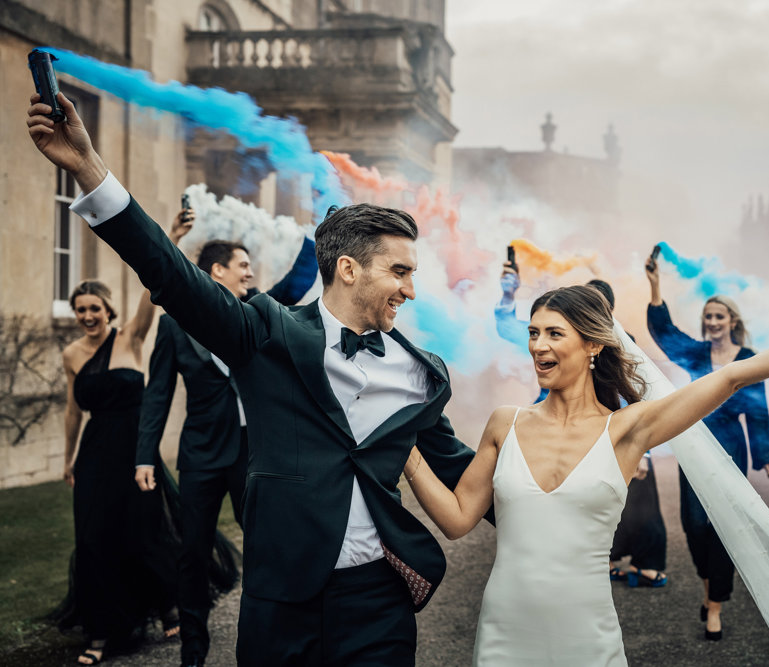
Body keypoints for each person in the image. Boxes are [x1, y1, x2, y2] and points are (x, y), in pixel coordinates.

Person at [28, 92, 481, 666]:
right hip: (281, 600)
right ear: (348, 268)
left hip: (378, 603)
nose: (411, 290)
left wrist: (562, 508)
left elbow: (459, 467)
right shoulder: (266, 333)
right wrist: (90, 170)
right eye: (399, 271)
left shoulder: (419, 373)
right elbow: (170, 274)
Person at [399, 283, 769, 665]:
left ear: (592, 345)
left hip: (586, 636)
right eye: (533, 332)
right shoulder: (506, 423)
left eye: (553, 333)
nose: (537, 346)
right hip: (504, 629)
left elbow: (735, 375)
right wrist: (404, 449)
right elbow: (460, 518)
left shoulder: (628, 430)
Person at [135, 218, 317, 667]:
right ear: (216, 271)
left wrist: (317, 233)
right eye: (242, 265)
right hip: (201, 455)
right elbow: (157, 393)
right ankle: (193, 653)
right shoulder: (174, 326)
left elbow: (297, 282)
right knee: (192, 554)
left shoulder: (257, 309)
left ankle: (262, 645)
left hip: (253, 453)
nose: (250, 274)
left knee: (264, 546)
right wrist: (145, 456)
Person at [496, 267, 668, 587]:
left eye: (596, 306)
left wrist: (642, 449)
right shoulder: (553, 333)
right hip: (552, 420)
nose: (540, 342)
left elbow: (632, 390)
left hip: (613, 426)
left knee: (635, 502)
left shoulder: (623, 342)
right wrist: (508, 293)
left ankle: (645, 562)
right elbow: (509, 327)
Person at [644, 256, 769, 639]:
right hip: (695, 444)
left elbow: (757, 408)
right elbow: (665, 333)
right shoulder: (697, 354)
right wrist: (655, 287)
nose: (713, 322)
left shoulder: (749, 360)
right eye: (709, 317)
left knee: (724, 526)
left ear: (733, 321)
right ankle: (707, 588)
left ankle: (715, 605)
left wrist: (765, 454)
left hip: (732, 449)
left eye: (720, 316)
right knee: (695, 524)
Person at [57, 274, 181, 665]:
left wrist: (170, 242)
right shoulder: (71, 354)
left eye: (95, 308)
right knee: (93, 540)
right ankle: (99, 631)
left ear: (108, 308)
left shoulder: (131, 337)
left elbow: (150, 298)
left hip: (134, 449)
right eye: (81, 310)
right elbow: (73, 410)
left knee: (144, 529)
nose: (88, 316)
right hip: (95, 453)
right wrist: (68, 456)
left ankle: (166, 605)